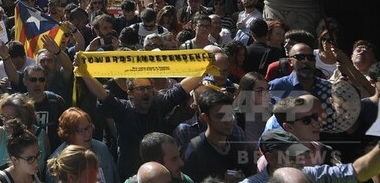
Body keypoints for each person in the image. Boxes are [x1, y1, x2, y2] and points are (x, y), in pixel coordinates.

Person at [77, 56, 207, 179]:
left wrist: (205, 68)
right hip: (130, 175)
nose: (146, 92)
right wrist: (84, 73)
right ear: (130, 93)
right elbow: (103, 95)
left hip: (159, 175)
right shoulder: (122, 109)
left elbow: (181, 89)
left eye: (149, 88)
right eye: (141, 88)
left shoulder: (158, 105)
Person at [240, 129, 380, 183]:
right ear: (270, 158)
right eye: (291, 156)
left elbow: (359, 171)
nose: (299, 160)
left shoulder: (310, 174)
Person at [182, 89, 254, 181]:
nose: (228, 121)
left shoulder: (237, 146)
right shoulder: (194, 153)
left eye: (230, 115)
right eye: (220, 116)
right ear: (205, 117)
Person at [45, 108, 119, 183]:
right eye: (81, 131)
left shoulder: (102, 148)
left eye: (88, 127)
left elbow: (115, 178)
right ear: (69, 135)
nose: (87, 134)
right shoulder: (60, 162)